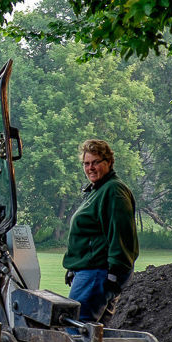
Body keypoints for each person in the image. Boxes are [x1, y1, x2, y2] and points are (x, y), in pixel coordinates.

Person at [63, 138, 138, 323]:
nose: (91, 168)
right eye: (86, 163)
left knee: (76, 330)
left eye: (96, 162)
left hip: (96, 273)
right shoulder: (98, 190)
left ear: (109, 162)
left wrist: (114, 274)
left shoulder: (113, 191)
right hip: (89, 272)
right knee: (94, 335)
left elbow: (120, 235)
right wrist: (74, 267)